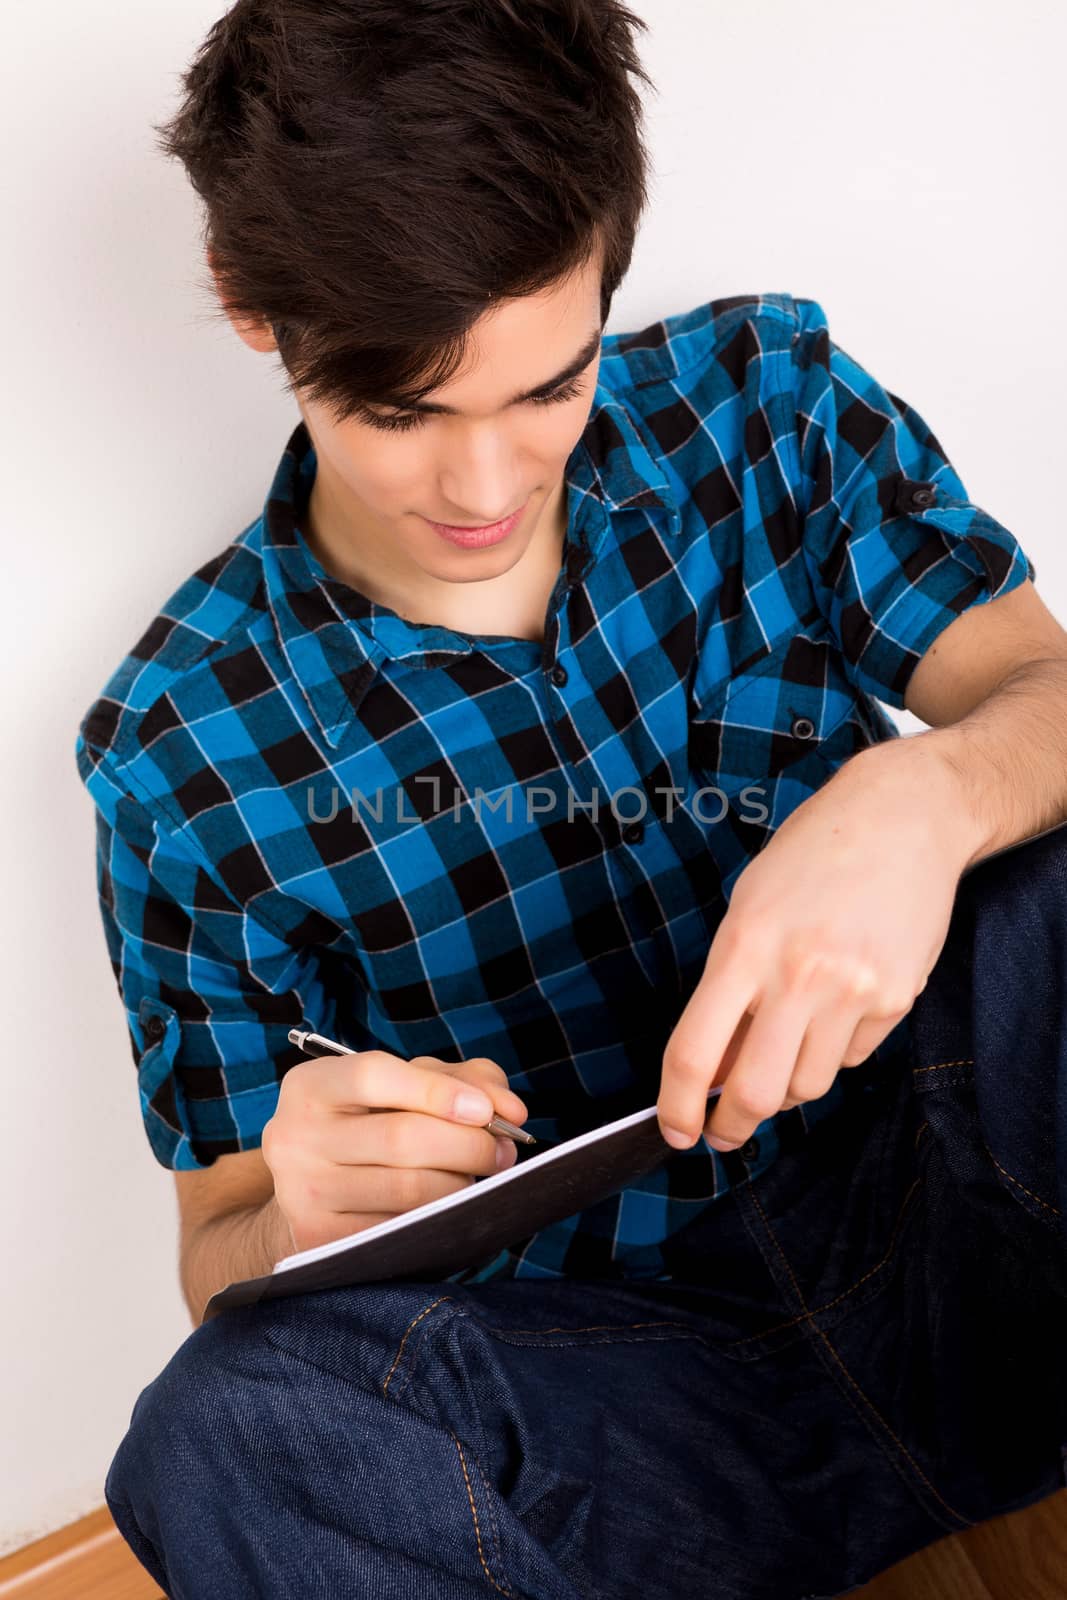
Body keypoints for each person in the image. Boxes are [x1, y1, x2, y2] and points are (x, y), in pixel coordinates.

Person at [74, 3, 1067, 1595]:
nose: (483, 490)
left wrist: (933, 796)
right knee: (215, 1436)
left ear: (608, 266)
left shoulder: (769, 404)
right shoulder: (174, 756)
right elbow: (222, 1254)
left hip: (980, 1229)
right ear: (252, 312)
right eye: (402, 412)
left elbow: (1054, 706)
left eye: (547, 387)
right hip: (623, 1408)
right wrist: (296, 1218)